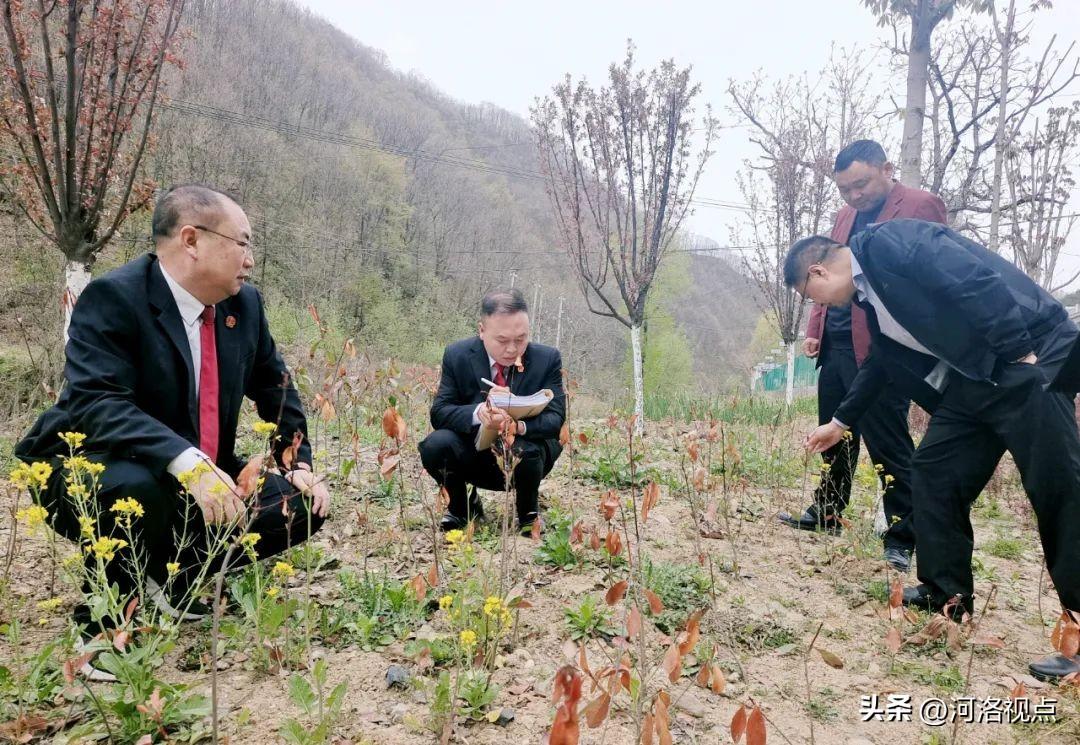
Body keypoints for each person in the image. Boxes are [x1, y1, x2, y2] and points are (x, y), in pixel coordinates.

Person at [15, 184, 329, 632]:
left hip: (192, 471)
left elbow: (277, 388)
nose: (250, 259)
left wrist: (296, 461)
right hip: (92, 463)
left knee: (302, 503)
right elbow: (97, 403)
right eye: (243, 242)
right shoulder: (115, 298)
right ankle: (106, 622)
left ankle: (169, 575)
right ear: (191, 240)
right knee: (135, 489)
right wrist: (192, 465)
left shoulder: (245, 306)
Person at [784, 219, 1080, 681]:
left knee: (1058, 488)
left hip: (1031, 355)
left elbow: (970, 277)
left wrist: (1019, 349)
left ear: (818, 272)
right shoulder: (871, 298)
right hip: (980, 378)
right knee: (933, 470)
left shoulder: (889, 243)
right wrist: (839, 423)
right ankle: (947, 595)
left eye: (810, 294)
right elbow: (882, 362)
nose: (817, 305)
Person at [779, 140, 948, 574]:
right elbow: (824, 271)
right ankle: (828, 511)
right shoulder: (844, 217)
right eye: (845, 190)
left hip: (880, 347)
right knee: (834, 429)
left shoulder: (920, 204)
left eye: (861, 184)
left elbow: (928, 278)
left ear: (886, 169)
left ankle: (901, 535)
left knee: (887, 441)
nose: (854, 196)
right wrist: (815, 329)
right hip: (836, 341)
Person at [419, 289, 565, 534]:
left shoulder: (547, 359)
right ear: (481, 331)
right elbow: (440, 412)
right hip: (475, 452)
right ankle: (463, 508)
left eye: (521, 339)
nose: (512, 349)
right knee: (435, 445)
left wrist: (517, 425)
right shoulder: (458, 355)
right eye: (502, 340)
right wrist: (479, 412)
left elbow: (556, 419)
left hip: (528, 455)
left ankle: (529, 515)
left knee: (527, 448)